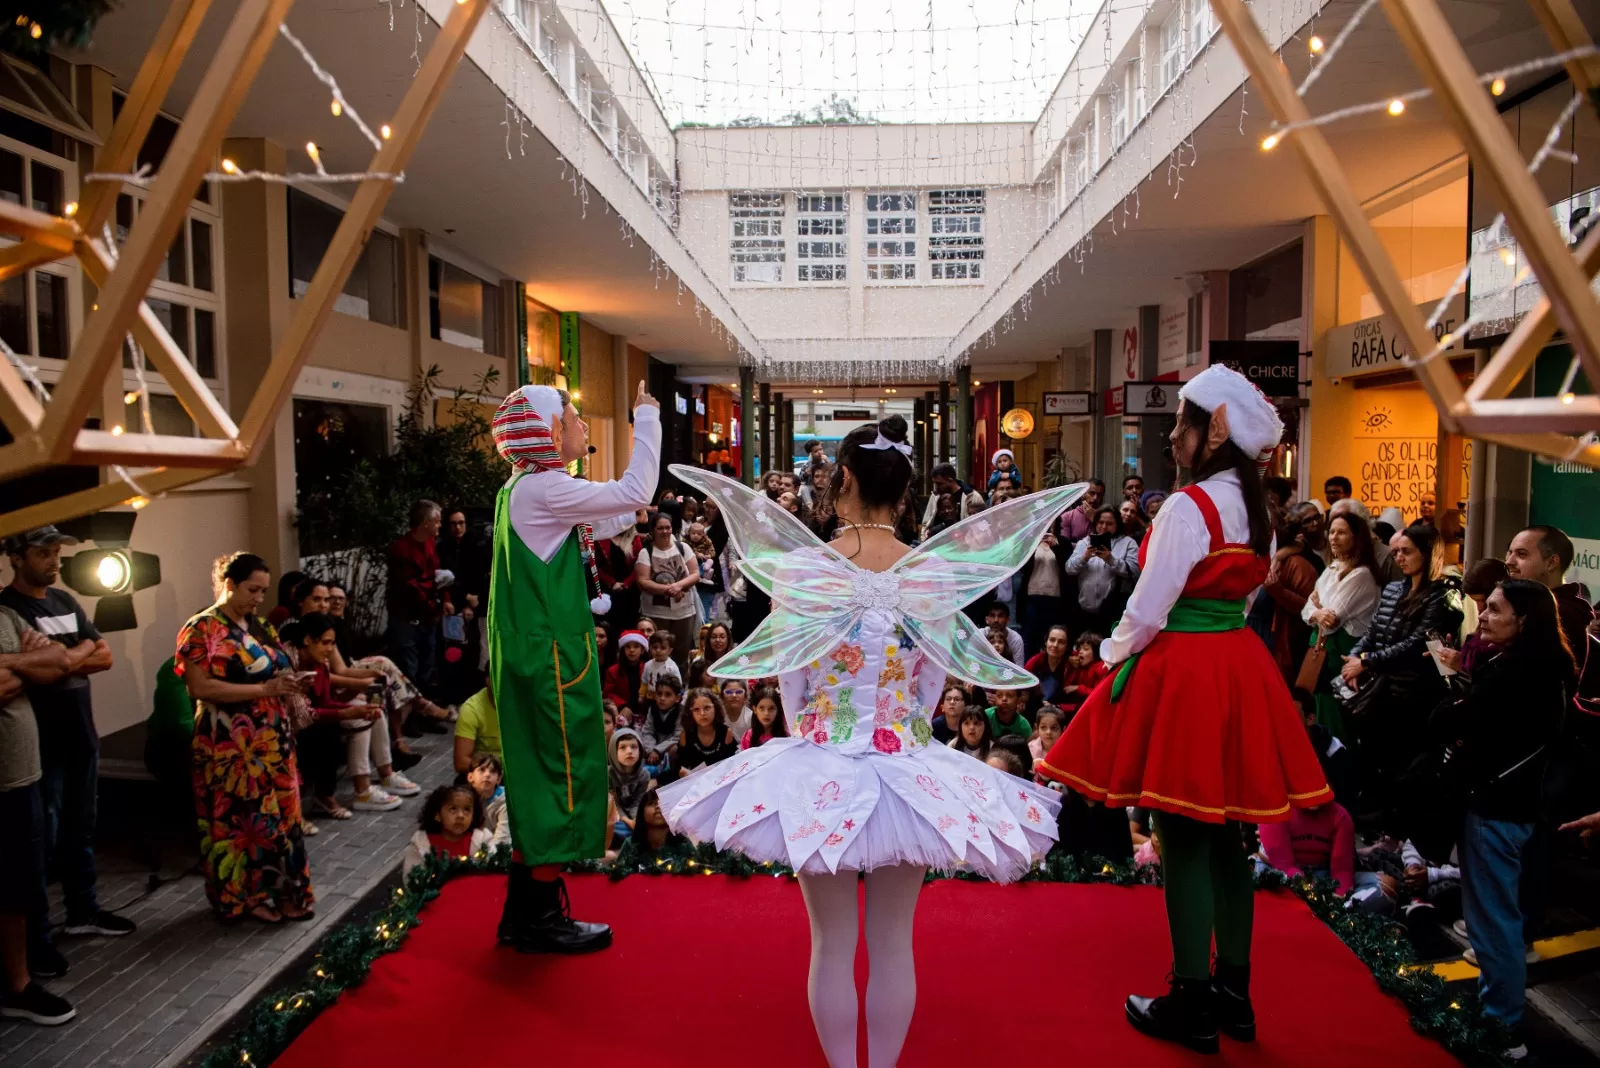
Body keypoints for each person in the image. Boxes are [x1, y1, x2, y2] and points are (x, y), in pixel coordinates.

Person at [658, 417, 1076, 1068]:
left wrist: (816, 737)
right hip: (908, 768)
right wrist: (899, 726)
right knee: (892, 941)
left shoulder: (803, 572)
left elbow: (792, 683)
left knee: (830, 941)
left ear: (842, 480)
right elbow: (936, 683)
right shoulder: (932, 578)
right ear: (905, 492)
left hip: (820, 757)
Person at [1039, 364, 1335, 1053]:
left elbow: (1147, 610)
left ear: (1214, 432)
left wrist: (1111, 657)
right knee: (1228, 834)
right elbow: (1247, 599)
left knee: (1181, 837)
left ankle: (1191, 1003)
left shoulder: (1187, 507)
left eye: (1181, 422)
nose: (1172, 435)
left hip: (1187, 674)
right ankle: (1235, 993)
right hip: (1238, 667)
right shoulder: (1257, 510)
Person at [487, 380, 661, 955]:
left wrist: (622, 511)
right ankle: (537, 919)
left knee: (542, 780)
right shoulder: (544, 488)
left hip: (536, 659)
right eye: (573, 416)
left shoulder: (523, 488)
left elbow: (608, 517)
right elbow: (637, 488)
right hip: (552, 664)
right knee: (561, 778)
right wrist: (646, 417)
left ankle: (523, 913)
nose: (582, 424)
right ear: (550, 431)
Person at [1436, 579, 1574, 1060]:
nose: (1485, 616)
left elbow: (1461, 722)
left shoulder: (1518, 674)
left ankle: (1503, 1029)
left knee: (1494, 924)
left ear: (1524, 620)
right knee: (1498, 921)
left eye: (1495, 609)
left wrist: (1453, 690)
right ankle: (1499, 1014)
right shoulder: (1542, 668)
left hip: (1497, 810)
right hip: (1513, 808)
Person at [1, 527, 131, 980]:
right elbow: (32, 672)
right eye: (42, 552)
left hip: (81, 734)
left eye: (56, 552)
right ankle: (36, 941)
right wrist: (70, 655)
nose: (54, 561)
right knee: (40, 846)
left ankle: (83, 911)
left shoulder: (64, 600)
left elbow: (105, 655)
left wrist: (61, 658)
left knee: (81, 828)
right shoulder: (10, 610)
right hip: (42, 745)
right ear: (16, 557)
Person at [176, 553, 315, 924]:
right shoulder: (203, 628)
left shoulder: (258, 626)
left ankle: (285, 893)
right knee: (241, 823)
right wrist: (263, 688)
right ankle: (245, 899)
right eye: (252, 589)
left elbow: (275, 669)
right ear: (229, 583)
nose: (259, 598)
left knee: (283, 819)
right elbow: (200, 686)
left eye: (264, 591)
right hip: (229, 745)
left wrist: (289, 683)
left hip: (270, 740)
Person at [1342, 522, 1463, 827]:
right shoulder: (1395, 588)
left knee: (1406, 767)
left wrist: (1367, 661)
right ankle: (1376, 827)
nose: (1399, 557)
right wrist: (1356, 656)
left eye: (1406, 552)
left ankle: (1398, 833)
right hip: (1381, 689)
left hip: (1415, 695)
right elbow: (1374, 630)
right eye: (1395, 551)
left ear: (1427, 552)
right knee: (1373, 761)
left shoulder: (1443, 594)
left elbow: (1417, 644)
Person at [0, 600, 75, 1026]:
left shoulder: (5, 615)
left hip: (22, 773)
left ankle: (18, 983)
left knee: (20, 884)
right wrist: (27, 667)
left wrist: (12, 663)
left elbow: (58, 661)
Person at [1301, 510, 1381, 742]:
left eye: (1342, 532)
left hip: (1341, 659)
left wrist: (1317, 609)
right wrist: (1317, 610)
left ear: (1357, 538)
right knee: (1318, 718)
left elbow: (1332, 622)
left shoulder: (1362, 575)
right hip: (1321, 654)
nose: (1334, 537)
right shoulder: (1332, 568)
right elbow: (1306, 610)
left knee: (1338, 726)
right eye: (1332, 531)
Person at [1505, 525, 1593, 674]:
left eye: (1521, 554)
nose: (1509, 562)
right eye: (1509, 553)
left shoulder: (1558, 614)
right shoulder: (1532, 605)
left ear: (1551, 562)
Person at [386, 500, 445, 697]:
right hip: (407, 618)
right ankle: (409, 719)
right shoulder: (400, 549)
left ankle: (427, 710)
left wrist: (442, 597)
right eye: (437, 521)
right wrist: (433, 589)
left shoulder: (430, 544)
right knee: (408, 670)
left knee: (427, 666)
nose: (440, 525)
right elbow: (410, 587)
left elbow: (434, 573)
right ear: (425, 523)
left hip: (428, 617)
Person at [636, 511, 700, 676]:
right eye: (660, 528)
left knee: (681, 649)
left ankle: (679, 683)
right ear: (653, 530)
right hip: (656, 613)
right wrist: (667, 589)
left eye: (667, 527)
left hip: (684, 612)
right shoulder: (646, 553)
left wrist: (679, 586)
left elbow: (694, 573)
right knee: (658, 649)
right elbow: (642, 580)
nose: (665, 531)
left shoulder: (683, 548)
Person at [1262, 509, 1320, 681]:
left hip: (1284, 643)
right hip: (1257, 633)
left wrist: (1279, 591)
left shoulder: (1297, 565)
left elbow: (1310, 609)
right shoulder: (1264, 559)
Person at [1065, 506, 1140, 636]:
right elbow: (1069, 568)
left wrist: (1111, 560)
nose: (1104, 527)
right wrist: (1084, 557)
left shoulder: (1129, 543)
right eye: (1101, 522)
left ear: (1117, 524)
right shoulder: (1084, 543)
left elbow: (1135, 572)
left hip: (1113, 609)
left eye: (1109, 523)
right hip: (1083, 609)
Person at [401, 784, 493, 876]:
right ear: (437, 815)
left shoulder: (482, 840)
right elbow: (412, 880)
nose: (460, 816)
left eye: (467, 809)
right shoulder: (421, 843)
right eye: (453, 809)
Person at [1016, 532, 1068, 655]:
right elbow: (1022, 567)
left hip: (1054, 596)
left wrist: (1056, 547)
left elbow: (1068, 567)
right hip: (1031, 594)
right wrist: (1033, 546)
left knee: (1048, 635)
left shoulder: (1063, 542)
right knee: (1028, 635)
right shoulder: (1029, 540)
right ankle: (1027, 667)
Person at [676, 687, 737, 775]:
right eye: (696, 709)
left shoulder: (726, 732)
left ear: (715, 708)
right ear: (690, 713)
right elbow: (681, 766)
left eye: (707, 708)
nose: (702, 713)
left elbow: (731, 765)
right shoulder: (686, 734)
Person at [919, 462, 985, 540]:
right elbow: (926, 523)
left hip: (964, 543)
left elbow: (982, 523)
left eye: (939, 483)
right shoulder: (935, 496)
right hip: (937, 543)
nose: (937, 487)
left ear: (950, 480)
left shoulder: (972, 497)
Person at [607, 728, 651, 841]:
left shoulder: (644, 775)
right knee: (611, 826)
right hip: (612, 813)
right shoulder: (608, 774)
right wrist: (628, 821)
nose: (629, 751)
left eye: (634, 747)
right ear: (613, 751)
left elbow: (637, 801)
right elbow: (614, 804)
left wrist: (636, 819)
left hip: (631, 813)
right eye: (623, 747)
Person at [638, 677, 683, 778]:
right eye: (659, 694)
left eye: (668, 694)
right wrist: (651, 750)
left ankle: (667, 777)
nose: (662, 698)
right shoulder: (652, 709)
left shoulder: (681, 712)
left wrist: (658, 750)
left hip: (667, 750)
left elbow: (677, 737)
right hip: (652, 749)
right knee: (636, 741)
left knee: (675, 749)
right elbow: (647, 731)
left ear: (677, 698)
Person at [603, 631, 648, 726]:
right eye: (628, 646)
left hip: (644, 711)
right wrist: (623, 705)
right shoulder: (613, 670)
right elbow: (609, 692)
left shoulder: (647, 668)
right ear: (623, 649)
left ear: (642, 650)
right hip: (621, 711)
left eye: (636, 646)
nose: (632, 650)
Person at [1058, 633, 1111, 713]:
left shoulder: (1101, 668)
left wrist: (1078, 688)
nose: (1080, 652)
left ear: (1096, 653)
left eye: (1085, 649)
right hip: (1077, 707)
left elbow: (1099, 695)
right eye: (1079, 649)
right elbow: (1067, 688)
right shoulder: (1081, 667)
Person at [1024, 625, 1073, 706]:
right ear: (1046, 642)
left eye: (1061, 642)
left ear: (1067, 646)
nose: (1055, 645)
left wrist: (1057, 707)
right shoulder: (1035, 662)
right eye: (1052, 640)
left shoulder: (1073, 664)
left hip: (1061, 710)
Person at [1058, 478, 1105, 543]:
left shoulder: (1107, 517)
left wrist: (1094, 519)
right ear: (1083, 494)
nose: (1095, 498)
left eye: (1099, 495)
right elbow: (1064, 546)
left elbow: (1109, 542)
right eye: (1092, 493)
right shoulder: (1068, 516)